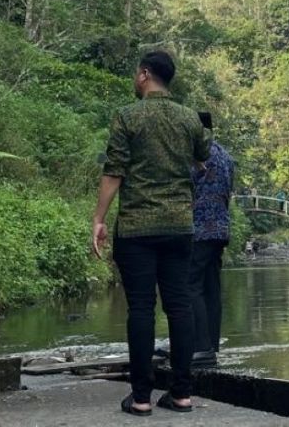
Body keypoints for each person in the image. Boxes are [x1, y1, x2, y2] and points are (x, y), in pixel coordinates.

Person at [90, 50, 209, 417]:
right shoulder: (190, 118)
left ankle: (141, 397)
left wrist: (99, 218)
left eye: (135, 74)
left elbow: (114, 170)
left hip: (137, 227)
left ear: (144, 74)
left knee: (141, 308)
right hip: (179, 226)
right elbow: (202, 157)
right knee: (179, 305)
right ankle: (182, 394)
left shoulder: (127, 116)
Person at [189, 111, 235, 368]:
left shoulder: (195, 155)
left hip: (198, 229)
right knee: (212, 287)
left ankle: (200, 346)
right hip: (220, 228)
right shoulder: (226, 156)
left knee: (190, 285)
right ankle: (211, 345)